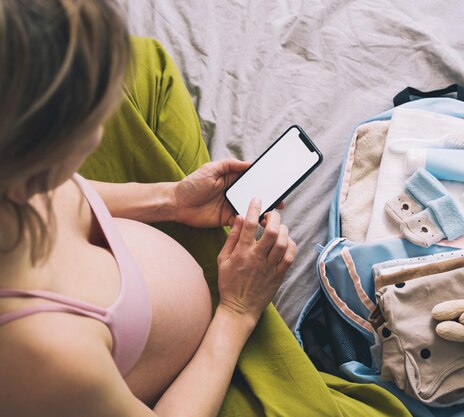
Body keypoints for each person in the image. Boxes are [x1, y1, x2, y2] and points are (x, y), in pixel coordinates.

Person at [0, 1, 413, 416]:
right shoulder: (46, 353)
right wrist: (237, 312)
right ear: (34, 156)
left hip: (162, 274)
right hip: (191, 375)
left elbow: (70, 194)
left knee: (141, 67)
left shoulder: (17, 181)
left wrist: (172, 201)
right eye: (89, 120)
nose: (101, 124)